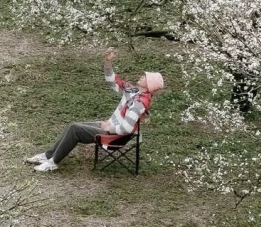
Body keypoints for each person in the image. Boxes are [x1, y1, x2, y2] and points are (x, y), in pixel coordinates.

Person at [26, 48, 164, 172]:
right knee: (72, 126)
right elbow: (112, 81)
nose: (142, 76)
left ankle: (53, 162)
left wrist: (109, 127)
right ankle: (48, 156)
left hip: (114, 135)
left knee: (75, 129)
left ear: (150, 85)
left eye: (146, 77)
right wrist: (108, 62)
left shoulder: (140, 103)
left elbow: (127, 128)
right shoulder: (132, 91)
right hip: (109, 127)